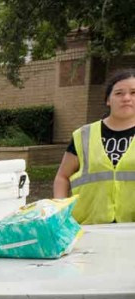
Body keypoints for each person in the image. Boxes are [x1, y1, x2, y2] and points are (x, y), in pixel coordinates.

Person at [53, 69, 135, 224]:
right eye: (119, 93)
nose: (126, 98)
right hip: (89, 225)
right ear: (108, 100)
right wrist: (60, 212)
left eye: (133, 92)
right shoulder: (84, 135)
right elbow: (62, 177)